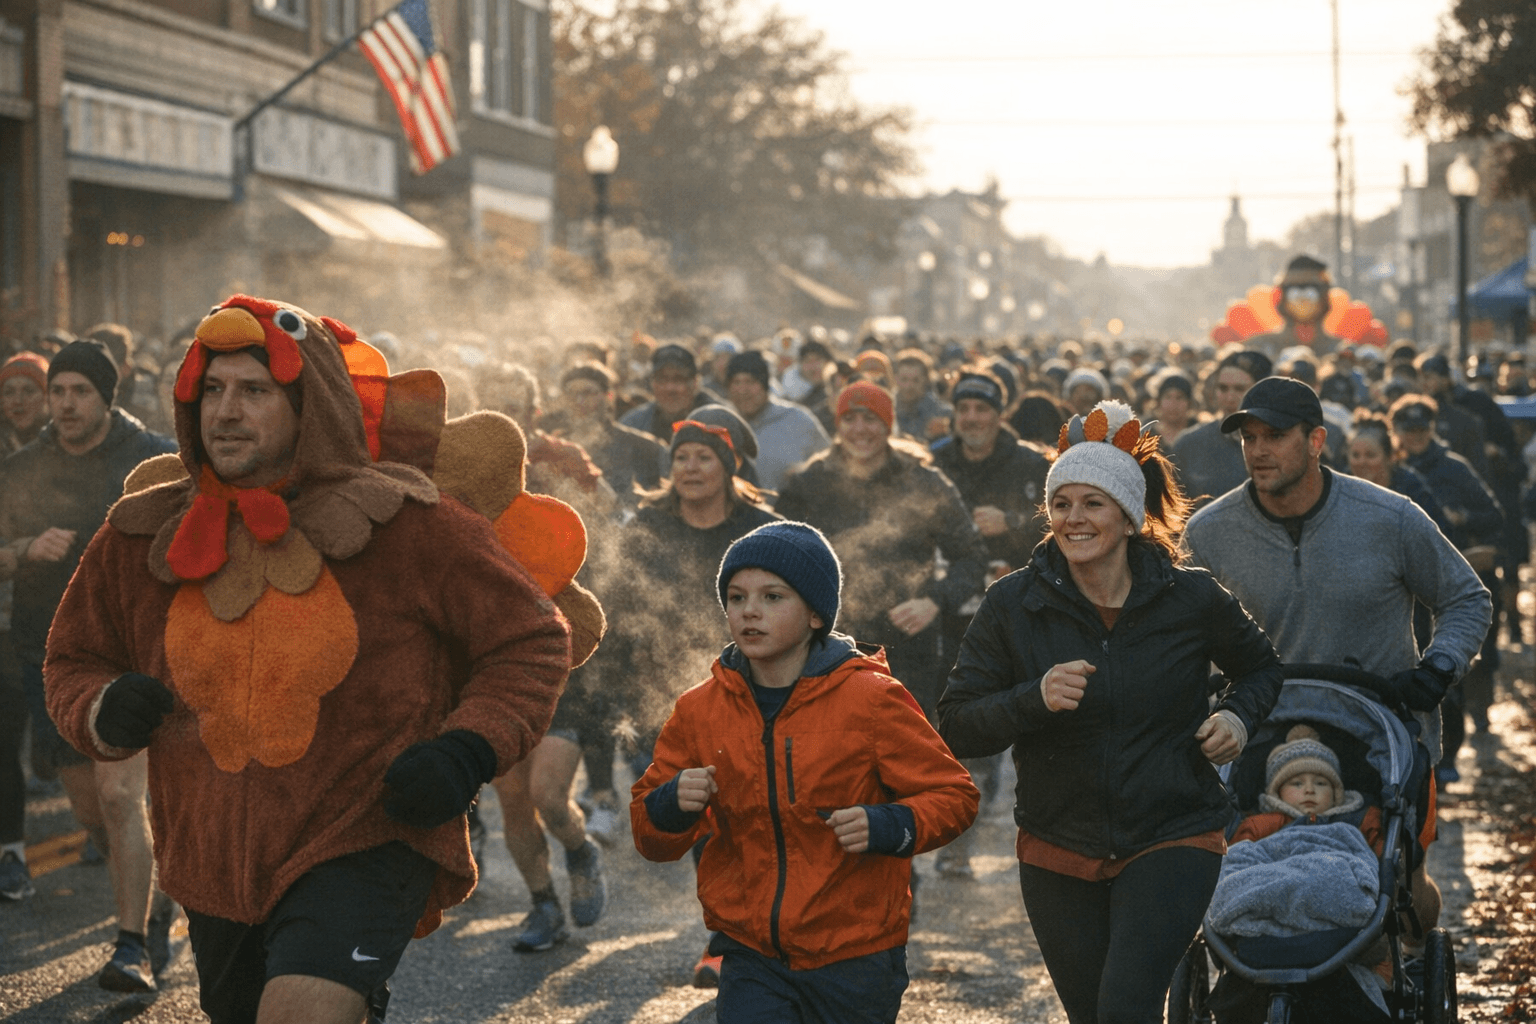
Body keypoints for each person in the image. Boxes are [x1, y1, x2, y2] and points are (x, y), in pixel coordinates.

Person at [43, 297, 574, 1023]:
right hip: (213, 858)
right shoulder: (139, 536)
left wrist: (467, 748)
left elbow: (530, 638)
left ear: (311, 404)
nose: (226, 411)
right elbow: (73, 657)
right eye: (213, 390)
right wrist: (102, 705)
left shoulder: (410, 523)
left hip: (364, 831)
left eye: (255, 391)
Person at [938, 398, 1284, 1024]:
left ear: (1127, 516)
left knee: (1126, 1008)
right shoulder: (1013, 605)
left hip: (1172, 831)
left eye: (1092, 503)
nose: (1074, 519)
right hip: (1056, 842)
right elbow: (957, 721)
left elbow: (1262, 668)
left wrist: (1237, 717)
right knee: (1091, 1015)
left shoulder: (1191, 597)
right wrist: (1031, 698)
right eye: (1061, 504)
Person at [1182, 376, 1492, 969]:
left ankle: (1405, 952)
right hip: (1260, 733)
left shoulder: (1389, 517)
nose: (1258, 450)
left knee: (1399, 882)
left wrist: (1438, 668)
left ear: (1317, 440)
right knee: (1250, 858)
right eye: (1248, 437)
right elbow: (1182, 634)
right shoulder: (1210, 534)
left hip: (1383, 730)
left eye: (1275, 436)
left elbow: (1466, 599)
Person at [631, 522, 979, 1024]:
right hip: (752, 955)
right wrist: (669, 804)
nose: (749, 610)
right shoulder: (698, 711)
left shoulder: (872, 699)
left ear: (816, 614)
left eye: (773, 596)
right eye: (736, 597)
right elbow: (648, 834)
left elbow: (955, 795)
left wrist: (889, 824)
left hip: (857, 957)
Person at [0, 340, 175, 980]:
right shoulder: (22, 467)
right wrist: (23, 549)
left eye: (80, 392)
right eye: (58, 391)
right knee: (89, 809)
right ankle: (155, 893)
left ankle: (131, 943)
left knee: (120, 792)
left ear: (107, 396)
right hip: (49, 653)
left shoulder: (152, 458)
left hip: (135, 652)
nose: (66, 404)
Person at [608, 417, 780, 986]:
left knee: (742, 820)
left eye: (704, 457)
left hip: (751, 691)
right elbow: (619, 607)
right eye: (681, 457)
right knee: (694, 822)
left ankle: (731, 940)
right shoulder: (647, 527)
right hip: (663, 698)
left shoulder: (762, 531)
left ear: (729, 468)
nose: (690, 467)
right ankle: (731, 930)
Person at [775, 382, 987, 721]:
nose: (860, 429)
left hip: (905, 651)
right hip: (824, 647)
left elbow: (972, 557)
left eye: (870, 418)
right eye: (850, 418)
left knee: (902, 756)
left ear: (888, 425)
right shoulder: (809, 485)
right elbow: (777, 561)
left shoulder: (923, 482)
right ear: (837, 425)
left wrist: (934, 600)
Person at [928, 369, 1050, 877]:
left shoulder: (1029, 462)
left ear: (1000, 413)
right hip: (947, 607)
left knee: (1004, 717)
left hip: (1016, 607)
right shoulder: (935, 462)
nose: (972, 419)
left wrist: (1012, 523)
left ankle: (1032, 830)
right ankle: (956, 838)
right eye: (964, 410)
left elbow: (1061, 521)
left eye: (982, 409)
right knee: (955, 716)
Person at [1170, 350, 1271, 508]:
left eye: (1239, 389)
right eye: (1223, 389)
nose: (1229, 398)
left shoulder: (1280, 444)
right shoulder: (1189, 444)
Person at [723, 350, 830, 493]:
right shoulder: (721, 422)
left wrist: (804, 475)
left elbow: (830, 465)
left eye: (750, 381)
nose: (743, 390)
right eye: (736, 382)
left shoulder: (797, 420)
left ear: (765, 385)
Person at [620, 343, 715, 443]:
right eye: (662, 379)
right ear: (652, 383)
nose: (670, 388)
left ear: (695, 383)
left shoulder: (718, 421)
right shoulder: (633, 425)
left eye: (678, 379)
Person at [892, 348, 952, 441]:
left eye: (916, 380)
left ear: (926, 380)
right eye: (904, 379)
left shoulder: (942, 414)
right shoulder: (888, 408)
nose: (909, 386)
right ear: (896, 379)